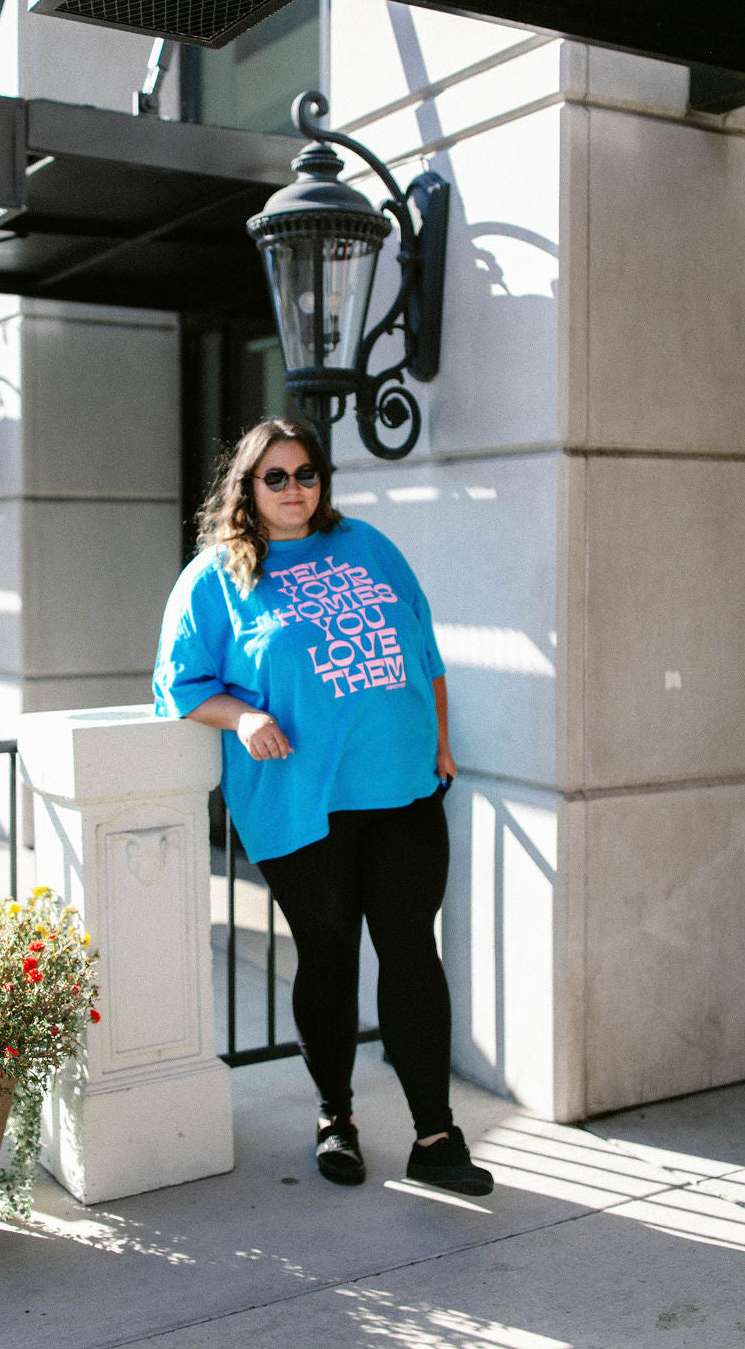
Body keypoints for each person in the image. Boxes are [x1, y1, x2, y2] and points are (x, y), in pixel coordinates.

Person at [152, 417, 493, 1195]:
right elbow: (179, 684)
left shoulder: (368, 545)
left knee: (410, 950)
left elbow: (425, 648)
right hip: (303, 802)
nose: (296, 490)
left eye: (307, 474)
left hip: (402, 787)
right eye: (277, 477)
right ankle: (335, 1116)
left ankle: (436, 1136)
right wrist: (242, 717)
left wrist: (439, 740)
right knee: (331, 953)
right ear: (248, 487)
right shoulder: (216, 577)